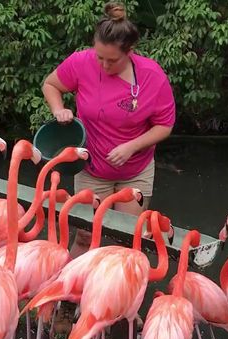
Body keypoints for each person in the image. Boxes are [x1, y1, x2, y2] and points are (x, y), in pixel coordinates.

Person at [41, 1, 176, 258]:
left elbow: (164, 125)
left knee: (127, 240)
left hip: (135, 170)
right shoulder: (81, 63)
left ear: (130, 52)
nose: (103, 65)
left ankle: (113, 295)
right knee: (85, 235)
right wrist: (59, 109)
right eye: (99, 57)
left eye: (111, 60)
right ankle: (69, 295)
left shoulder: (152, 76)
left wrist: (131, 146)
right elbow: (50, 84)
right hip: (92, 168)